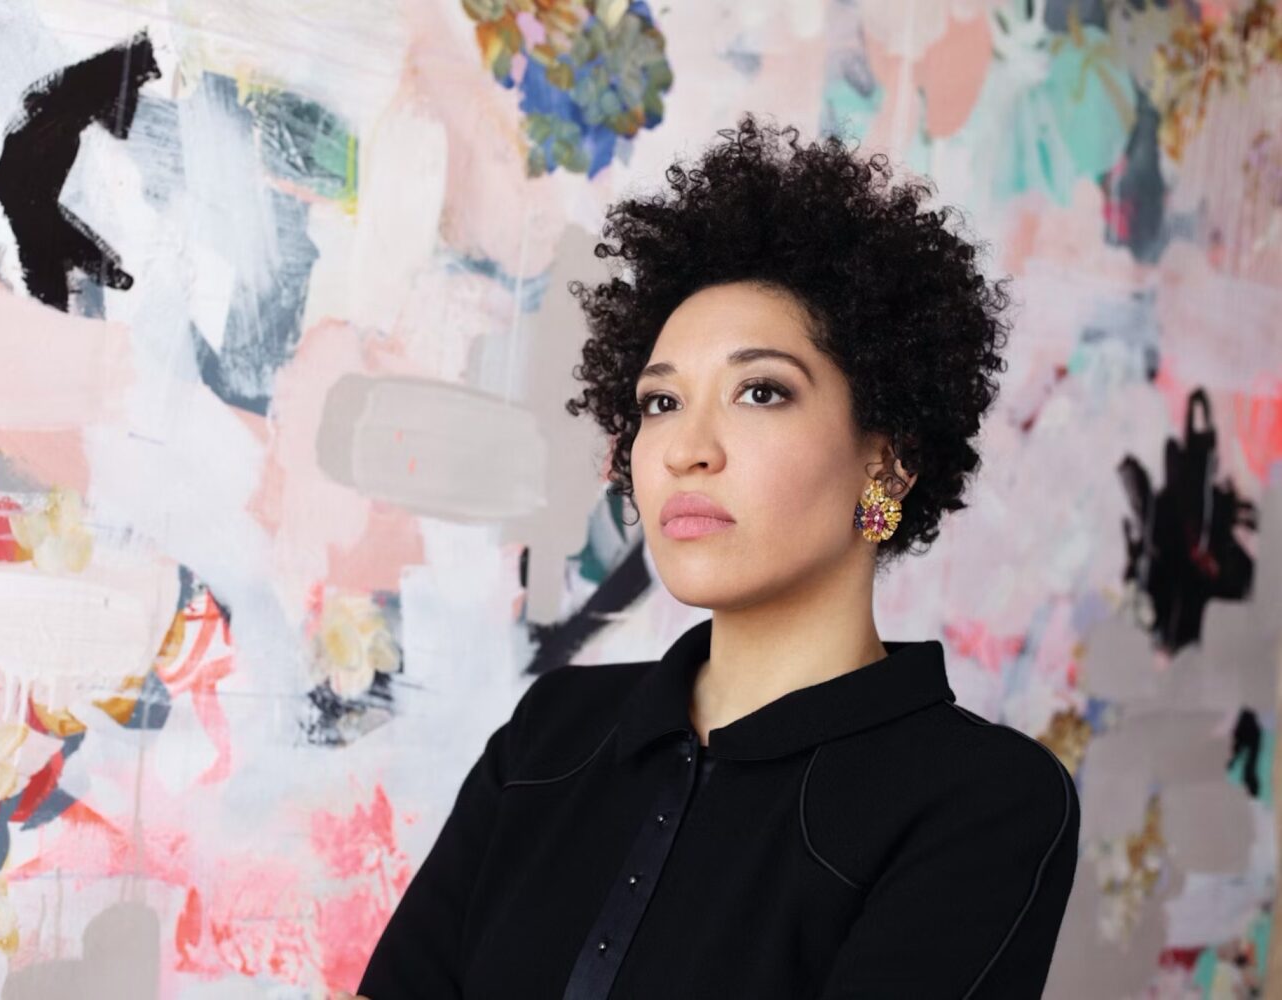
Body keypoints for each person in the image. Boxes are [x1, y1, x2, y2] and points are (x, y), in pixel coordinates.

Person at [351, 113, 1079, 999]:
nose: (686, 448)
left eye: (760, 391)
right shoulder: (553, 734)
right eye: (660, 403)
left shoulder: (983, 802)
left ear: (886, 460)